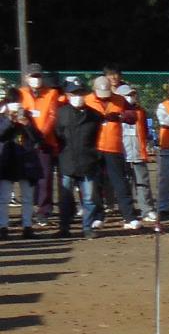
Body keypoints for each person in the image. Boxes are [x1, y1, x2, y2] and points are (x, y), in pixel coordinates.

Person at [85, 76, 141, 229]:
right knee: (95, 184)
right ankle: (98, 216)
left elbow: (132, 116)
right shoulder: (87, 100)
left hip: (113, 147)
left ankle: (129, 217)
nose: (105, 97)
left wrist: (120, 116)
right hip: (93, 147)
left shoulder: (119, 100)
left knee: (120, 183)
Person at [53, 79, 104, 238]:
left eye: (81, 93)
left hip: (88, 162)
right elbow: (57, 135)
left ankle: (87, 228)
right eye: (74, 93)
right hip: (67, 161)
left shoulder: (95, 116)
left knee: (89, 199)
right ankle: (64, 228)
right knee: (65, 198)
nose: (78, 96)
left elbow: (98, 138)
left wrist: (95, 156)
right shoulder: (61, 113)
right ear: (68, 95)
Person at [19, 65, 60, 219]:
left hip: (45, 140)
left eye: (38, 76)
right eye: (33, 76)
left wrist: (41, 136)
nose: (36, 80)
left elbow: (52, 116)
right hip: (26, 140)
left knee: (45, 176)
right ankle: (29, 208)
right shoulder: (21, 93)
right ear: (26, 78)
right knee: (28, 176)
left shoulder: (51, 93)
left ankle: (44, 210)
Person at [116, 81, 158, 224]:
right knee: (125, 184)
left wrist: (146, 147)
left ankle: (147, 210)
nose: (131, 97)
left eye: (132, 94)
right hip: (122, 153)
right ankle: (128, 212)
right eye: (127, 95)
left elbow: (145, 131)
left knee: (143, 182)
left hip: (138, 153)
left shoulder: (140, 111)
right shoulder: (116, 112)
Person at [1, 91, 39, 237]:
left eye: (18, 101)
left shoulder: (27, 116)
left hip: (26, 160)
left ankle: (27, 226)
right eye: (12, 101)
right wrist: (9, 120)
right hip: (7, 161)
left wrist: (27, 124)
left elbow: (37, 137)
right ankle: (3, 227)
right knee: (4, 198)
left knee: (28, 197)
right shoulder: (3, 117)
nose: (15, 104)